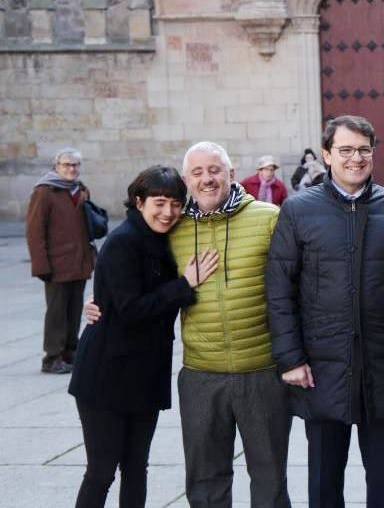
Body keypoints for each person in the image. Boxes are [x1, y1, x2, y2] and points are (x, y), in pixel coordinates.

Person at [85, 142, 293, 507]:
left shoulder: (269, 218)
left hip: (261, 371)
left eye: (214, 170)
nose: (207, 179)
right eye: (197, 173)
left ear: (230, 173)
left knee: (270, 478)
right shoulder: (172, 228)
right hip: (200, 374)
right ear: (187, 181)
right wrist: (98, 303)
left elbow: (298, 284)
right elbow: (135, 280)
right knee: (205, 480)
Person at [265, 115, 384, 508]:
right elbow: (279, 290)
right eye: (345, 150)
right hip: (320, 367)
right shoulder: (298, 210)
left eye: (363, 150)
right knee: (324, 478)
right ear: (327, 155)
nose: (355, 158)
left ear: (373, 154)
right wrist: (290, 358)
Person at [68, 166, 219, 508]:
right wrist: (185, 285)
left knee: (137, 467)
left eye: (176, 204)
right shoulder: (124, 242)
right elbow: (131, 309)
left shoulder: (164, 237)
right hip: (105, 376)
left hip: (143, 375)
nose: (168, 212)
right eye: (160, 203)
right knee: (102, 471)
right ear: (139, 202)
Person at [26, 147, 97, 374]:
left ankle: (70, 351)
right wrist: (41, 265)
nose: (71, 169)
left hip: (79, 262)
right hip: (56, 264)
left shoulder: (81, 189)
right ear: (56, 167)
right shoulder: (45, 191)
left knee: (74, 309)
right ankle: (52, 356)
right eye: (66, 165)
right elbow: (34, 231)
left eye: (75, 165)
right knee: (57, 312)